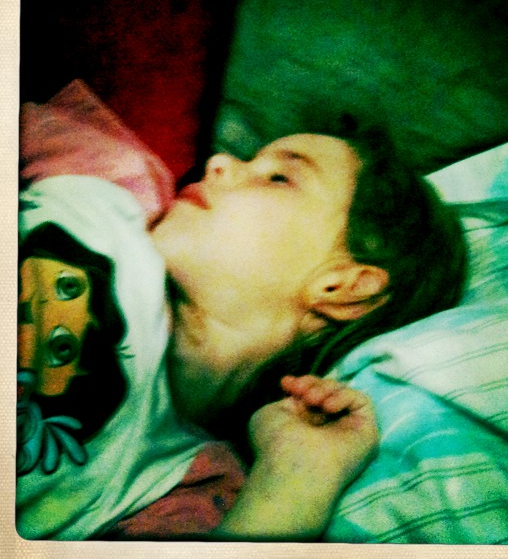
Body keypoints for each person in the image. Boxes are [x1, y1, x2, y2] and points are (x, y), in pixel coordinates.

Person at [17, 81, 467, 540]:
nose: (218, 161)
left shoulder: (189, 487)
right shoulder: (110, 183)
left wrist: (298, 480)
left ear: (343, 287)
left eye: (280, 178)